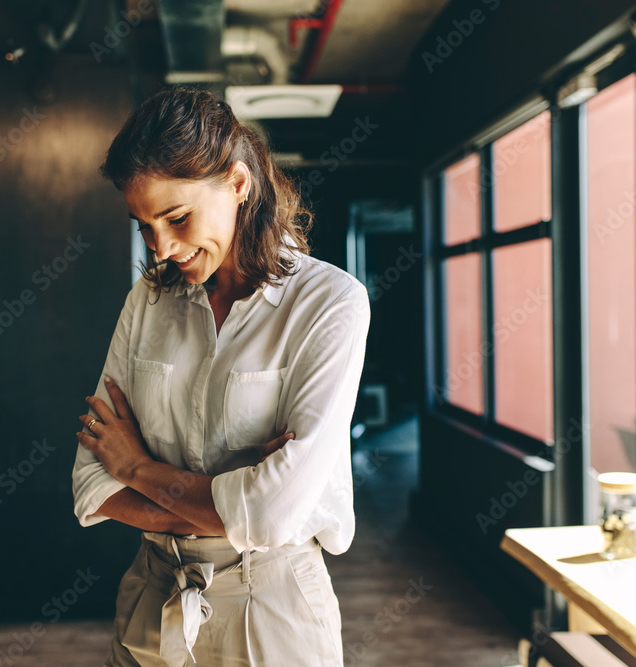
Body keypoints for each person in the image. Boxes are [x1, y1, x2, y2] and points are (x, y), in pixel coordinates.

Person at [71, 86, 371, 667]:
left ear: (238, 184)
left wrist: (135, 466)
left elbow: (274, 514)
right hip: (151, 597)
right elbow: (91, 483)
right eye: (143, 226)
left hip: (272, 608)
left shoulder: (330, 303)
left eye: (177, 217)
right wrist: (236, 499)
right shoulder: (148, 302)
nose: (161, 249)